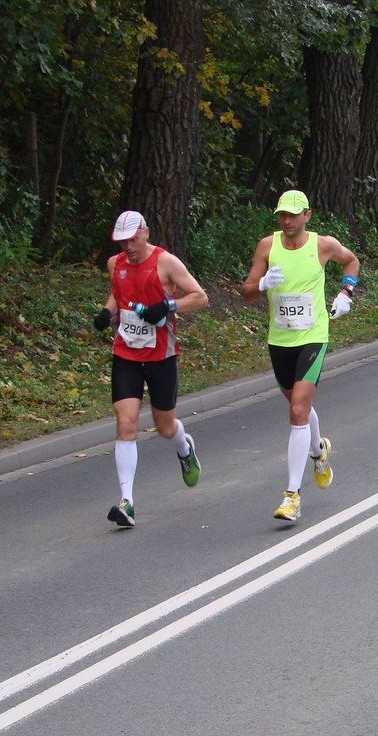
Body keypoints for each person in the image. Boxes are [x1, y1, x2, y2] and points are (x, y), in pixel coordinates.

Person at [241, 190, 361, 523]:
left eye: (293, 215)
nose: (287, 220)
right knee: (297, 404)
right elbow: (246, 292)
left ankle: (292, 495)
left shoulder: (323, 245)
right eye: (282, 215)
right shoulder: (268, 246)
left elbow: (351, 261)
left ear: (307, 215)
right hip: (279, 339)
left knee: (297, 410)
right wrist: (263, 283)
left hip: (313, 335)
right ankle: (319, 450)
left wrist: (346, 291)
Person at [92, 211, 209, 528]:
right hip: (126, 354)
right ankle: (127, 502)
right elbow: (119, 293)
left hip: (161, 357)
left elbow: (200, 297)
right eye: (122, 241)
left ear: (145, 233)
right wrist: (106, 312)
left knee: (165, 428)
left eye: (132, 239)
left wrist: (168, 306)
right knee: (126, 423)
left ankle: (185, 449)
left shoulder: (165, 263)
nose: (128, 247)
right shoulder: (115, 265)